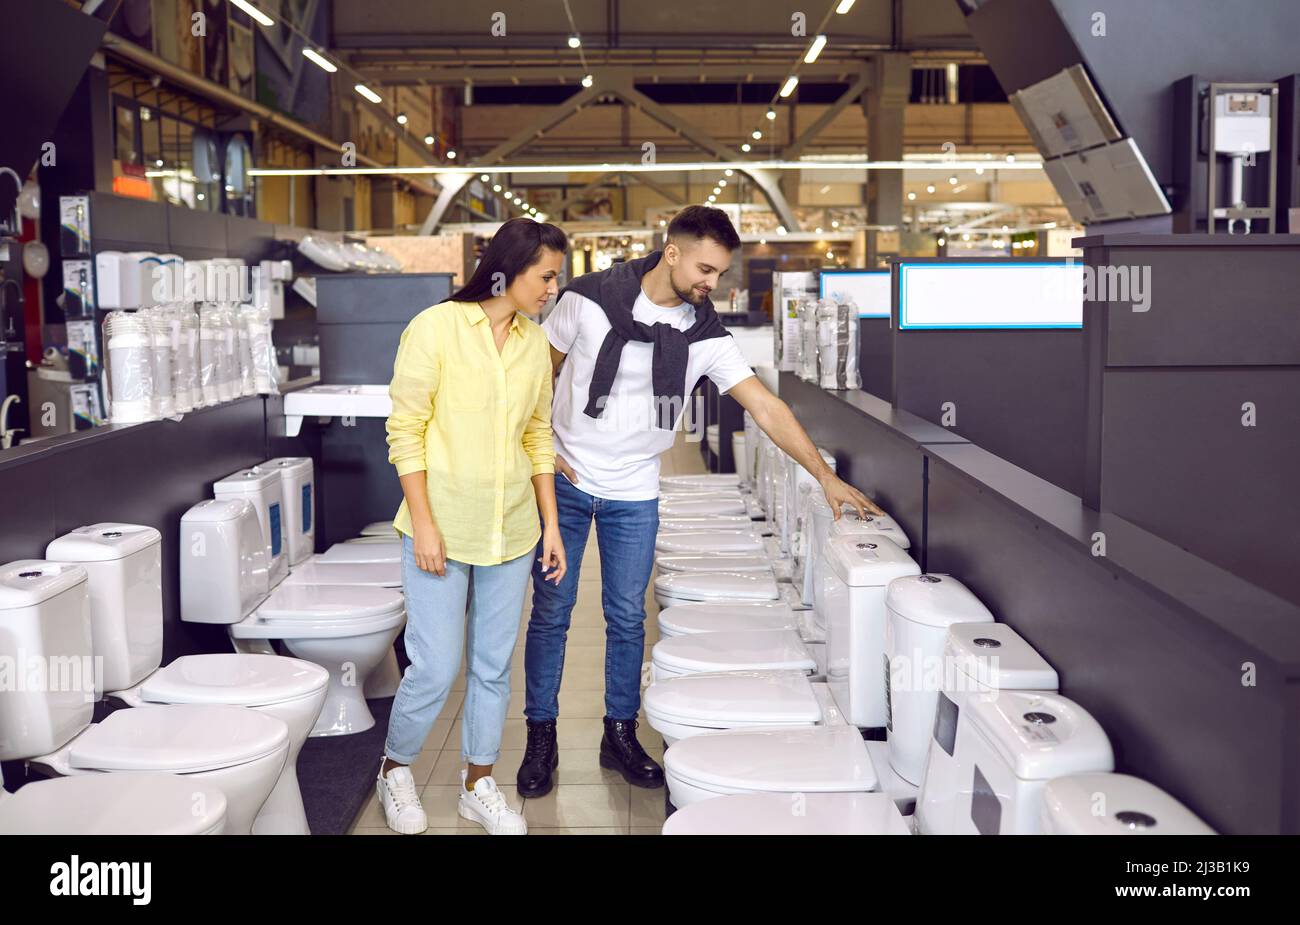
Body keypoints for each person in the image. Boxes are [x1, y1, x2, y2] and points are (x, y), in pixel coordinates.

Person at [517, 205, 883, 797]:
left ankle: (619, 733)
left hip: (635, 489)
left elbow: (765, 407)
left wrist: (824, 477)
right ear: (672, 252)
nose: (713, 284)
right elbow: (538, 374)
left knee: (628, 618)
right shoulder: (586, 299)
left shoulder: (705, 335)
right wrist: (535, 446)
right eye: (706, 270)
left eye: (719, 273)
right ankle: (540, 736)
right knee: (553, 615)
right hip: (565, 478)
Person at [378, 218, 569, 835]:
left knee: (492, 666)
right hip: (440, 526)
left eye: (555, 279)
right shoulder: (433, 329)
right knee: (435, 666)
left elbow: (538, 436)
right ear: (509, 270)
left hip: (511, 530)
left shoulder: (535, 345)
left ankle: (477, 783)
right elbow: (405, 432)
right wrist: (425, 526)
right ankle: (394, 768)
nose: (550, 289)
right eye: (545, 276)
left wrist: (552, 526)